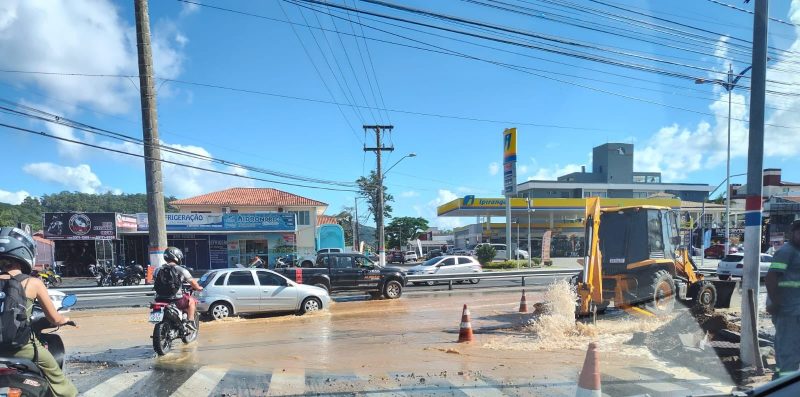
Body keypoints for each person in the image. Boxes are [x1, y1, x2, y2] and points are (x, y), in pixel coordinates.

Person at [0, 227, 77, 397]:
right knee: (58, 378)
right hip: (22, 349)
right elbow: (54, 318)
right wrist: (65, 319)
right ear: (24, 253)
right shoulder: (32, 283)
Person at [766, 220, 800, 378]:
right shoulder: (787, 252)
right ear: (792, 234)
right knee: (788, 350)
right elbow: (771, 277)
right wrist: (776, 303)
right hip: (787, 311)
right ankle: (783, 384)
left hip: (794, 310)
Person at [154, 247, 203, 331]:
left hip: (159, 299)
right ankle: (190, 322)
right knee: (191, 301)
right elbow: (193, 282)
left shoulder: (157, 270)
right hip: (175, 299)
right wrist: (198, 288)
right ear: (176, 256)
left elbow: (155, 281)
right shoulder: (180, 269)